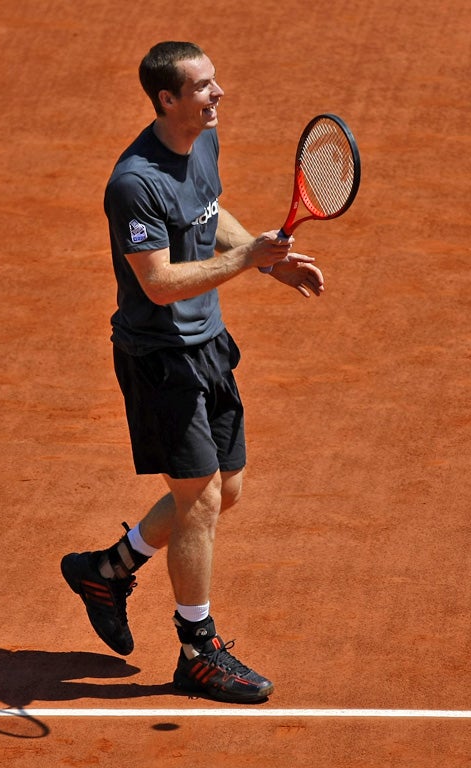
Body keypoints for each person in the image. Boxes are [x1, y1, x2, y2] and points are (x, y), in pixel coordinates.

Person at [61, 41, 325, 704]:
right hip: (160, 359)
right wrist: (248, 262)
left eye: (215, 82)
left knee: (225, 489)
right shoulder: (134, 183)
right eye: (203, 87)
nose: (219, 94)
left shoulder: (202, 140)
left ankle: (108, 570)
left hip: (208, 343)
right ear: (166, 100)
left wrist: (268, 261)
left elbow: (211, 215)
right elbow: (157, 283)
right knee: (200, 498)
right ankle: (197, 650)